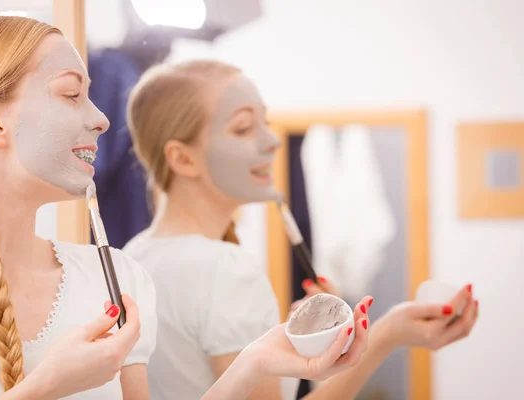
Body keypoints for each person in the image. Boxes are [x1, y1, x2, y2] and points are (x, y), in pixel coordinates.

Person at [0, 16, 371, 400]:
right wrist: (44, 387)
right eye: (70, 94)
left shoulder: (116, 279)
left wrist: (255, 361)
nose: (101, 118)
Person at [123, 59, 479, 400]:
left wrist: (303, 343)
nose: (273, 141)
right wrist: (388, 333)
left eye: (266, 122)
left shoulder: (130, 258)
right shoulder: (228, 270)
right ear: (183, 159)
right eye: (244, 128)